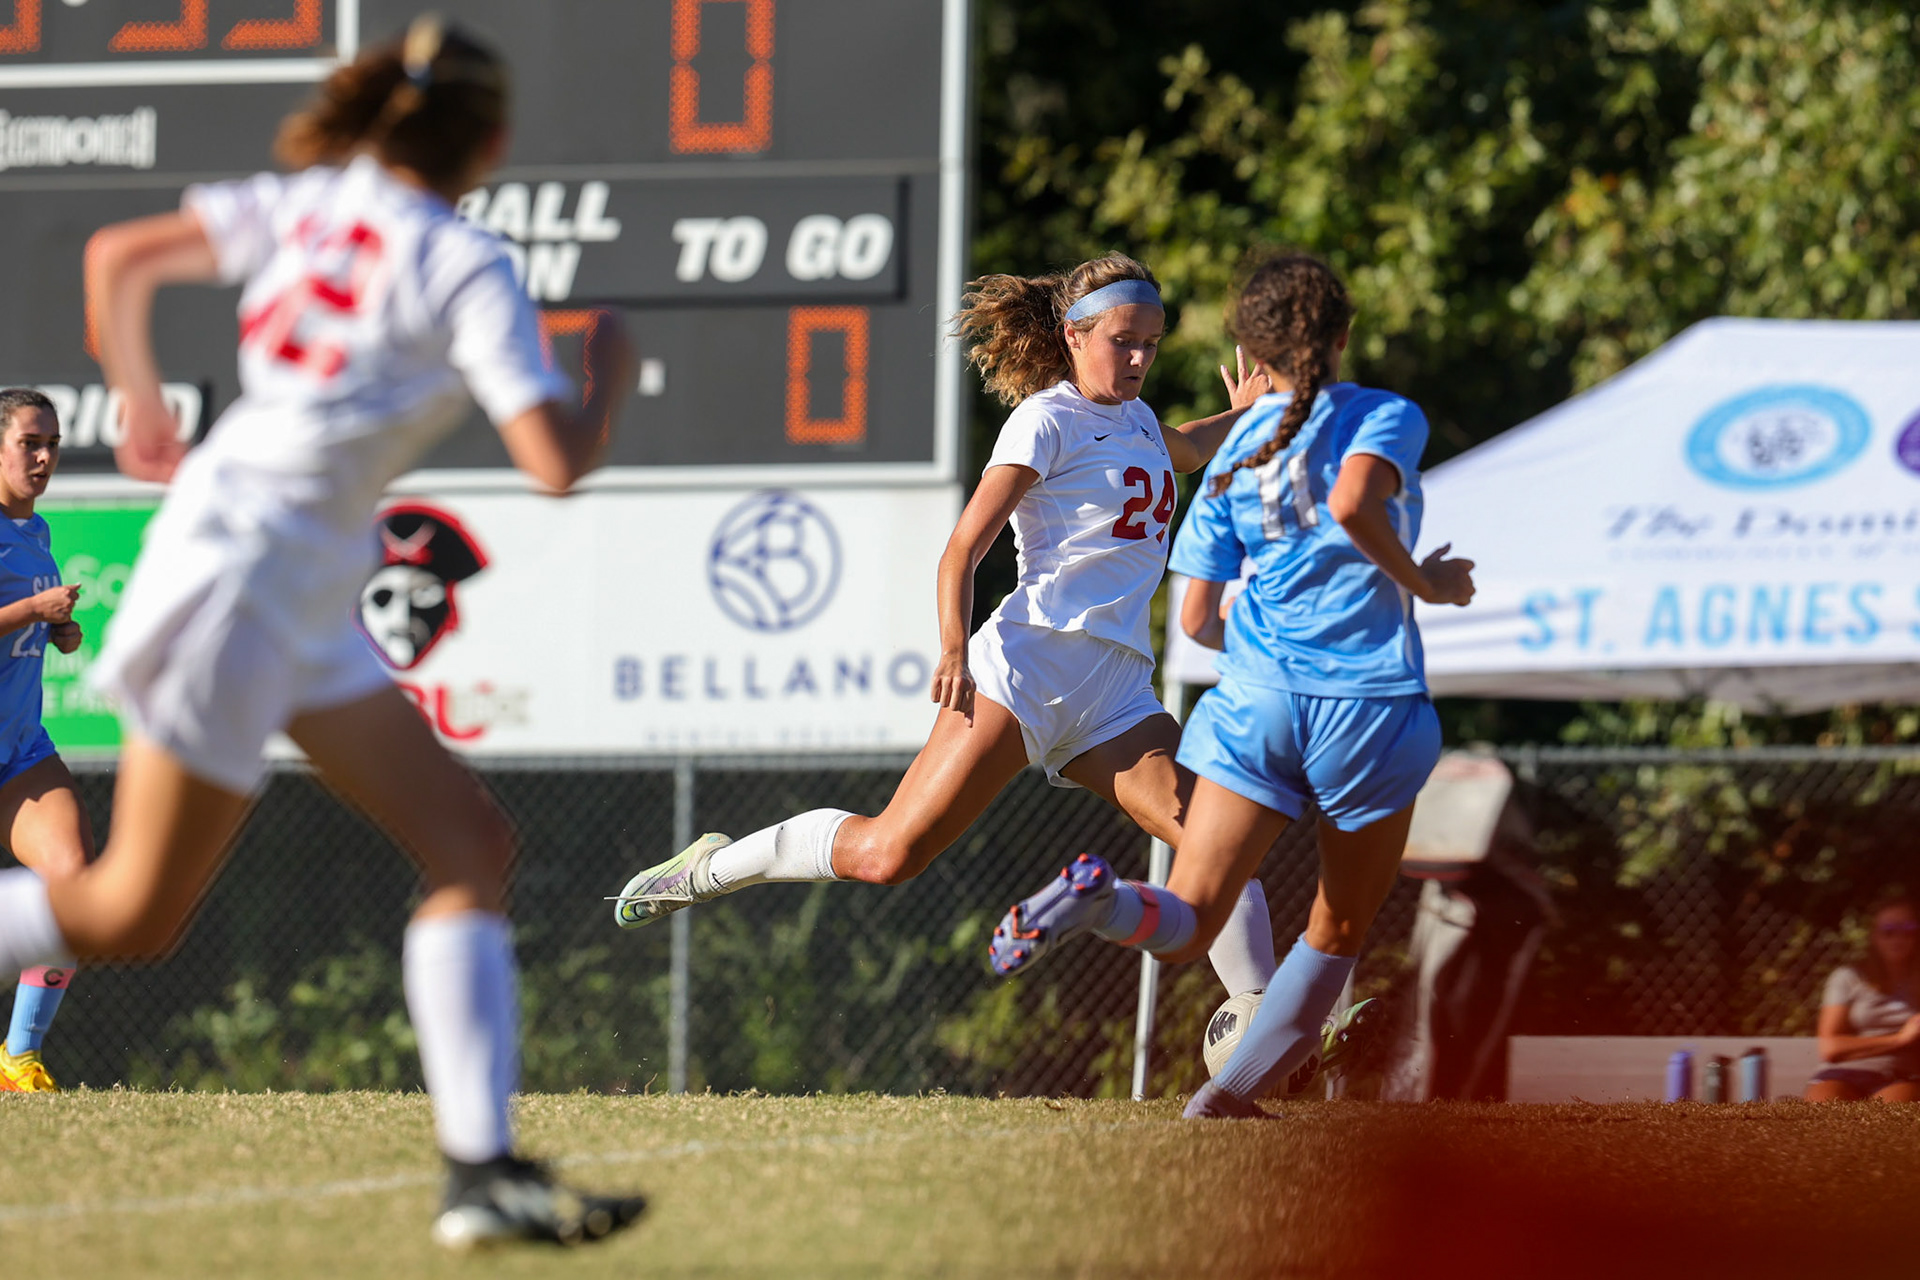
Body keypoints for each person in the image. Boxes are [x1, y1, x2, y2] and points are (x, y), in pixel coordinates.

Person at [0, 18, 647, 1247]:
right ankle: (482, 1166)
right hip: (249, 581)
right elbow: (555, 462)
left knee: (466, 839)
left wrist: (140, 401)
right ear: (491, 142)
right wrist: (607, 374)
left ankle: (481, 1171)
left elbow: (120, 255)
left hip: (279, 584)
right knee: (127, 909)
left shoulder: (313, 202)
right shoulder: (464, 261)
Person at [612, 254, 1281, 1006]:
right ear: (1073, 334)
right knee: (889, 853)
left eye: (1151, 344)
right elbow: (963, 547)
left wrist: (1248, 417)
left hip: (1117, 691)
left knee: (1216, 845)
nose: (1138, 358)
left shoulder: (1140, 425)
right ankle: (713, 867)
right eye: (1123, 340)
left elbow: (1187, 448)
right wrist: (956, 651)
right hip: (1026, 670)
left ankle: (1269, 1024)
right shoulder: (1046, 419)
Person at [988, 251, 1477, 1118]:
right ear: (1342, 336)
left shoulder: (1237, 451)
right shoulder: (1382, 413)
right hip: (1366, 703)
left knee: (1190, 920)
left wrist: (1258, 647)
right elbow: (1358, 499)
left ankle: (1103, 906)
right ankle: (1231, 1087)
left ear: (1252, 346)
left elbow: (1197, 621)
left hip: (1254, 702)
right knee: (1336, 927)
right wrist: (1428, 583)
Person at [0, 389, 95, 1094]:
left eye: (52, 444)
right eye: (29, 442)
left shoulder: (38, 533)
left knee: (72, 881)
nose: (43, 457)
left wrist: (57, 630)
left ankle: (18, 1057)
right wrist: (33, 608)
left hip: (18, 750)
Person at [1805, 888, 1919, 1103]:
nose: (1899, 938)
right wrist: (1900, 1038)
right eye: (1889, 930)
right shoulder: (1849, 977)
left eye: (1908, 929)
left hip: (1901, 1075)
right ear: (1875, 935)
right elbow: (1830, 1048)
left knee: (1890, 1117)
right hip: (1843, 1073)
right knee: (1824, 1111)